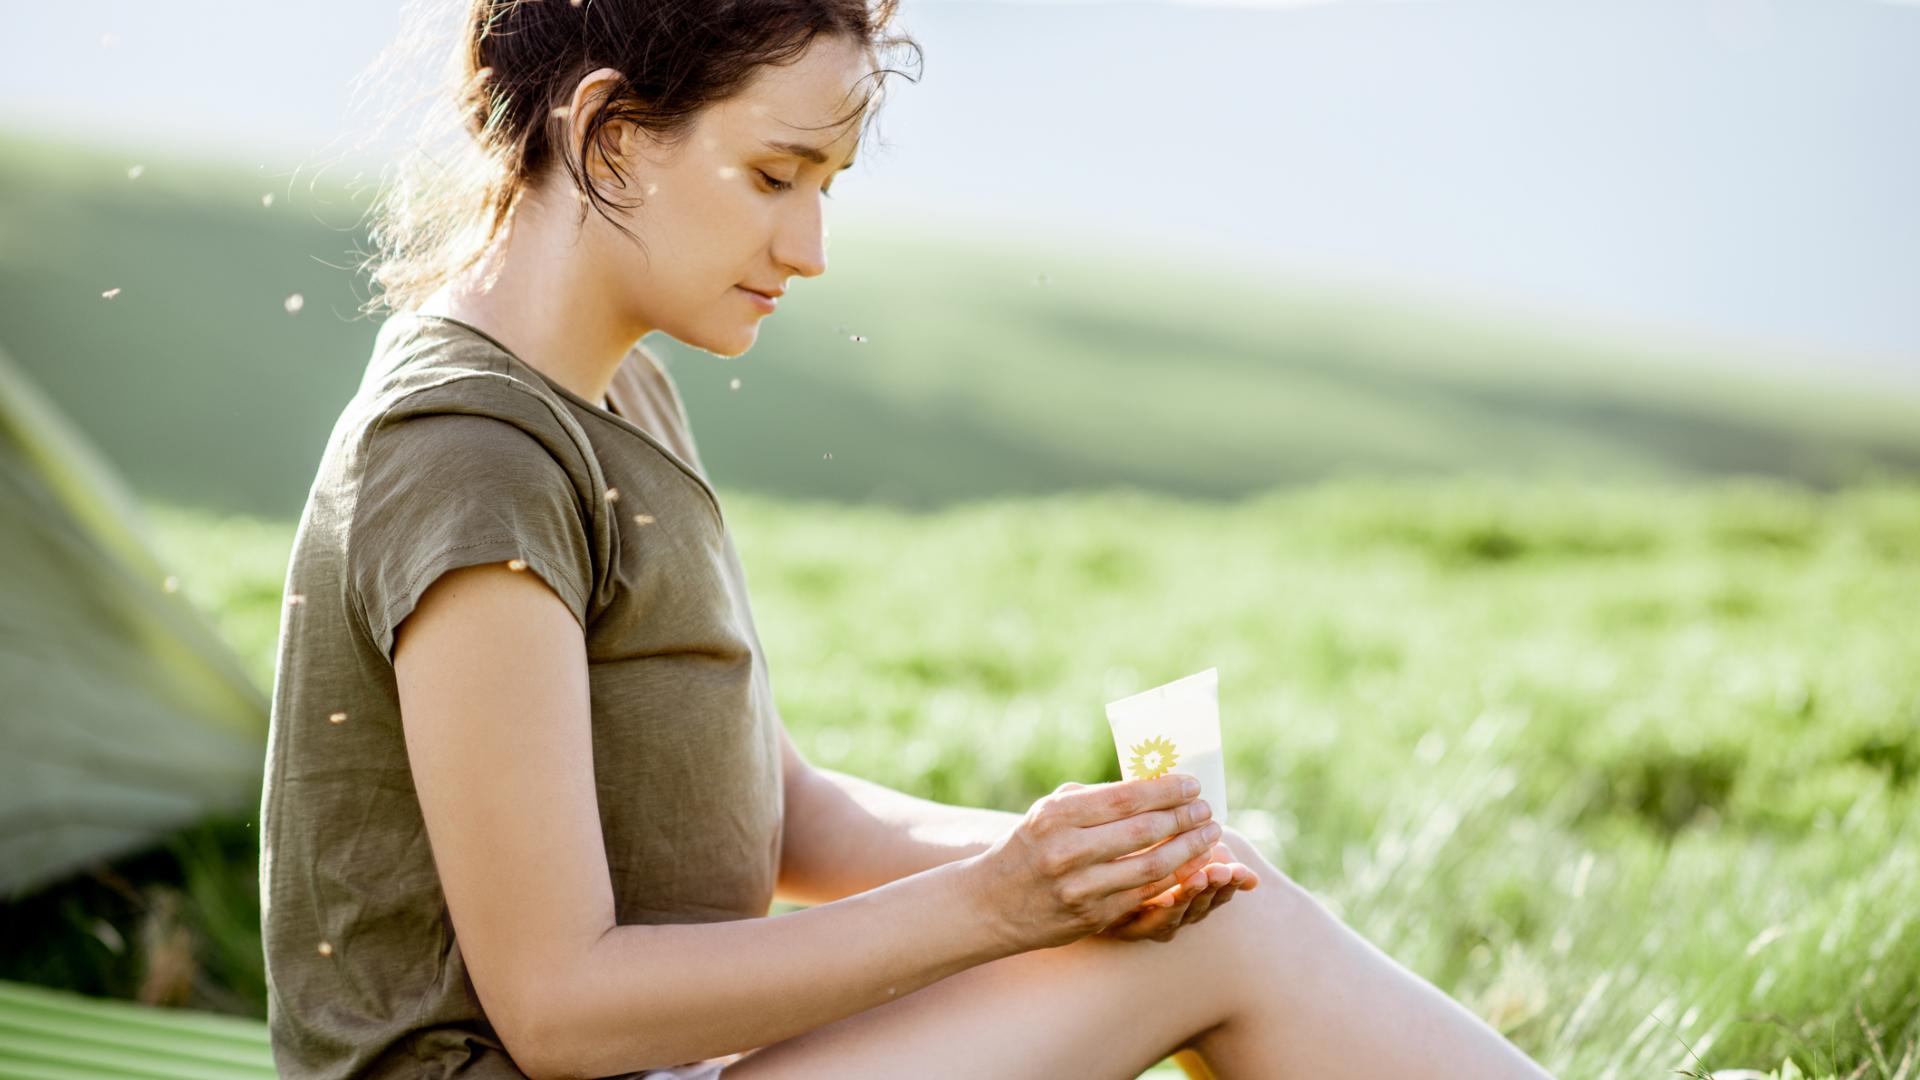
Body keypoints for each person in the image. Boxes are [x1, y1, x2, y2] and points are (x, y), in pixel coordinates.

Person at [258, 0, 1559, 1077]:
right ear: (607, 137)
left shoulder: (615, 393)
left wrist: (1081, 859)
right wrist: (994, 909)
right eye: (775, 177)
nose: (811, 246)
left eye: (824, 186)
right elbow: (558, 1009)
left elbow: (788, 817)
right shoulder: (467, 459)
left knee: (1219, 901)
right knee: (1226, 946)